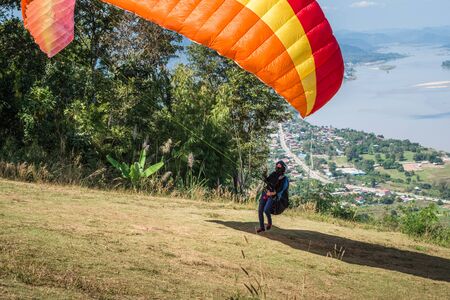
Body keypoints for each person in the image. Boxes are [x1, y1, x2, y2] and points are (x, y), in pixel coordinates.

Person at [256, 160, 289, 233]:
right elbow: (268, 180)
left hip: (272, 196)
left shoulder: (284, 179)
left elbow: (281, 189)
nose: (278, 168)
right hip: (266, 192)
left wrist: (272, 193)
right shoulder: (273, 174)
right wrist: (264, 177)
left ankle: (269, 223)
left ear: (283, 168)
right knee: (260, 210)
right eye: (277, 167)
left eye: (279, 167)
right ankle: (262, 227)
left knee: (266, 210)